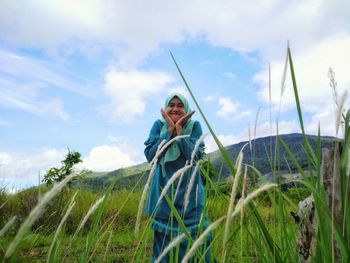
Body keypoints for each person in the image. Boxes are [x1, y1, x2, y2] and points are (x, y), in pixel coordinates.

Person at [144, 92, 213, 262]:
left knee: (196, 240)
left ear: (186, 108)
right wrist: (168, 131)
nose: (175, 109)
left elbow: (194, 156)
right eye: (172, 105)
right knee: (164, 247)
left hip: (190, 195)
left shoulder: (194, 126)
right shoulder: (158, 125)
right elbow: (152, 156)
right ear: (166, 107)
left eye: (180, 105)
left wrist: (180, 132)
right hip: (163, 193)